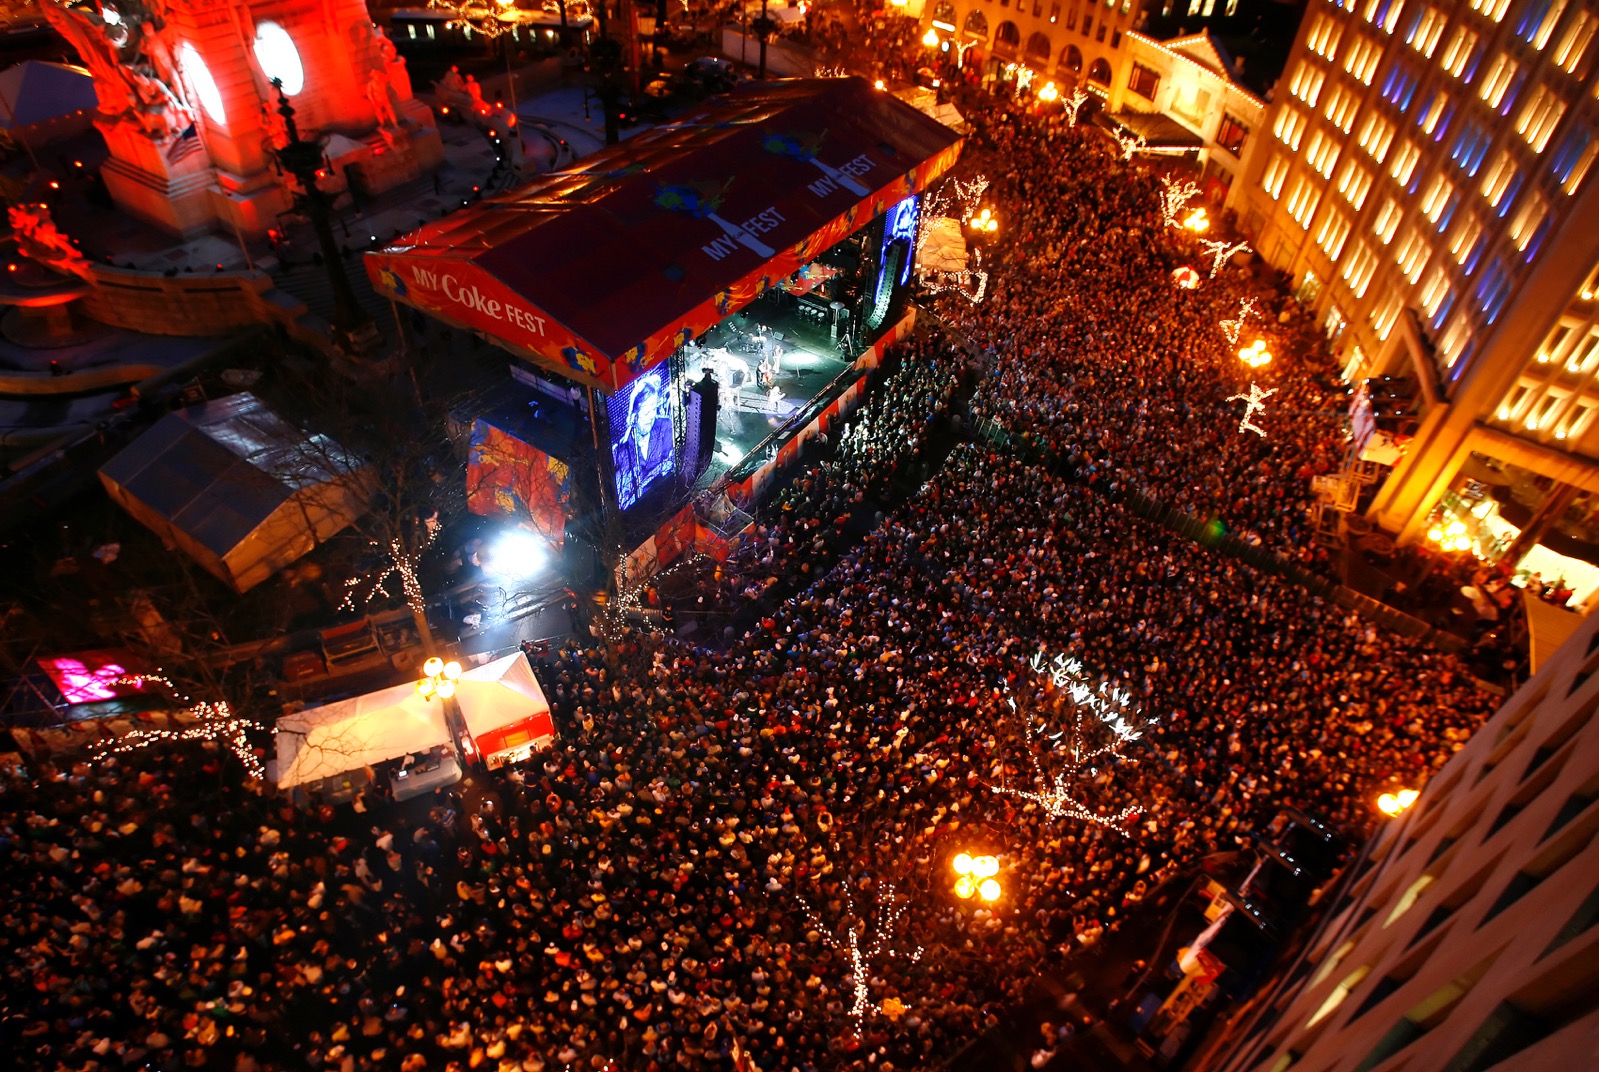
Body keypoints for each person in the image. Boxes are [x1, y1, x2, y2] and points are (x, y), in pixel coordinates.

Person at [612, 375, 674, 508]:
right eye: (646, 413)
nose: (651, 417)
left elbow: (673, 461)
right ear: (634, 415)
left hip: (667, 496)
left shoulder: (665, 425)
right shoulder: (622, 449)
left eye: (653, 410)